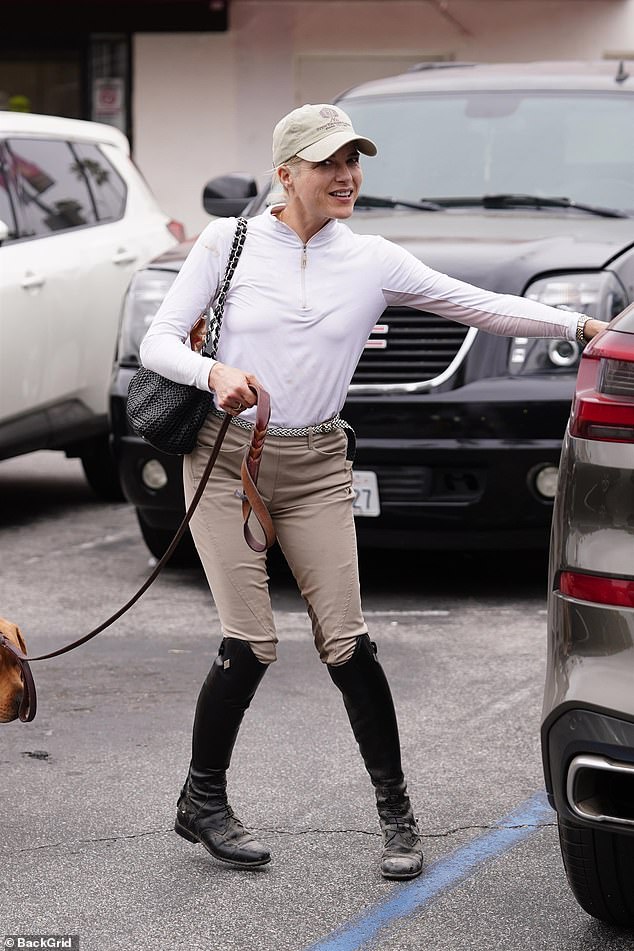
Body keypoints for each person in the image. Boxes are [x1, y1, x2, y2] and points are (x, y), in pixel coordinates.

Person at [139, 103, 607, 880]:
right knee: (250, 643)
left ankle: (398, 817)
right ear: (285, 173)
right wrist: (211, 371)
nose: (347, 175)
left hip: (318, 462)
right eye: (328, 162)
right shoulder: (229, 243)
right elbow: (160, 337)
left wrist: (577, 328)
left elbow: (477, 305)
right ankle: (203, 799)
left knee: (348, 642)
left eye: (353, 160)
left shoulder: (374, 259)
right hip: (225, 462)